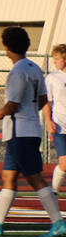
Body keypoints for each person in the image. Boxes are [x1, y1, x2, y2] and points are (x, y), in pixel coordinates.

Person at [0, 27, 66, 237]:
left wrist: (0, 112)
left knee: (34, 178)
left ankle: (58, 221)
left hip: (20, 132)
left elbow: (12, 104)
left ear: (7, 47)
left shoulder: (17, 72)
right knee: (8, 176)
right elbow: (42, 101)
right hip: (27, 130)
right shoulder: (34, 68)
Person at [43, 44, 66, 193]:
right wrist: (48, 120)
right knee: (64, 164)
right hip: (59, 125)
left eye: (57, 59)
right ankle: (54, 191)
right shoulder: (52, 78)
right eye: (54, 59)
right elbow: (47, 101)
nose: (55, 61)